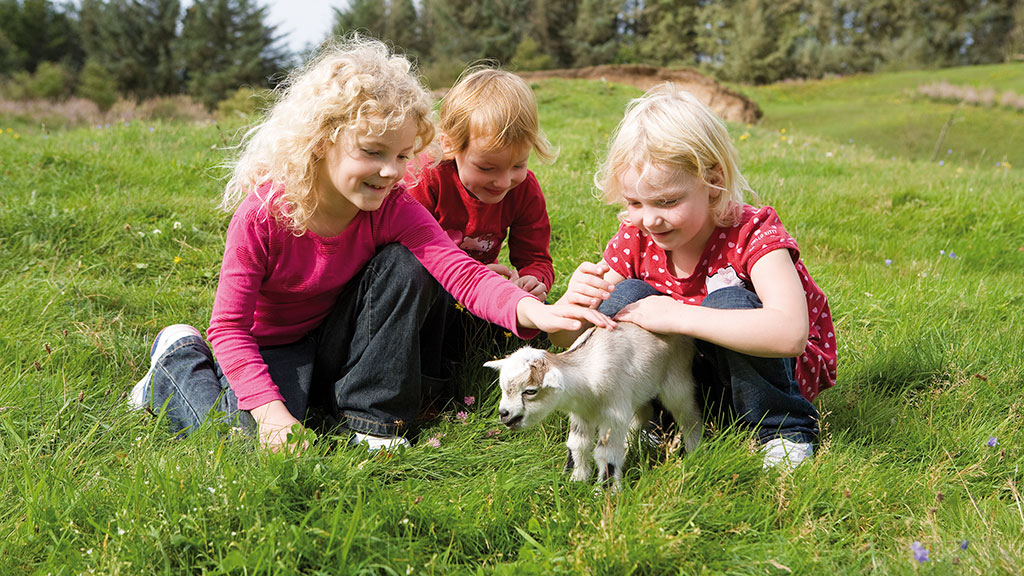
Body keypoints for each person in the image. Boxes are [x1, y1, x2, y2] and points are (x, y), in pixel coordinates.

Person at [128, 38, 610, 453]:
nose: (391, 171)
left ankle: (369, 420)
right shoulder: (262, 216)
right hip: (271, 344)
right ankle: (176, 360)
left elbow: (459, 273)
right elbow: (230, 328)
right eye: (372, 152)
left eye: (402, 155)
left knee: (408, 262)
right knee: (236, 441)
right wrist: (272, 415)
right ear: (321, 141)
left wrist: (536, 312)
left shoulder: (393, 206)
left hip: (338, 337)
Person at [550, 84, 837, 470]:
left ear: (713, 181)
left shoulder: (752, 233)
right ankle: (651, 421)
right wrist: (572, 308)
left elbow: (790, 333)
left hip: (766, 377)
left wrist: (678, 315)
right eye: (635, 203)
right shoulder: (636, 238)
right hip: (688, 378)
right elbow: (573, 344)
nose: (650, 218)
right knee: (626, 295)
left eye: (667, 201)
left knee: (729, 300)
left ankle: (782, 431)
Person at [402, 68, 555, 389]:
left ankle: (479, 363)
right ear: (449, 145)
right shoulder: (426, 179)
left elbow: (536, 257)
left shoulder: (524, 190)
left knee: (540, 326)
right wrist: (478, 273)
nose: (503, 181)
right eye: (486, 167)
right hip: (427, 301)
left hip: (481, 298)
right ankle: (429, 383)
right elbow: (402, 263)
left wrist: (534, 280)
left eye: (518, 165)